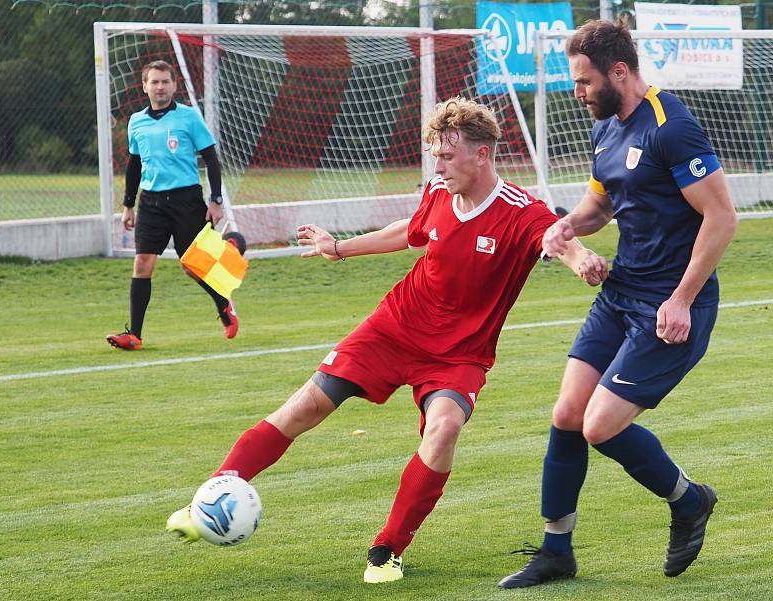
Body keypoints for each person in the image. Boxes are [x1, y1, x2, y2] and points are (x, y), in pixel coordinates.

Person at [165, 97, 606, 583]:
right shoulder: (439, 190)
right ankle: (207, 499)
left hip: (460, 353)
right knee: (303, 406)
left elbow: (556, 236)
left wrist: (581, 258)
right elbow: (411, 231)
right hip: (395, 326)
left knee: (443, 430)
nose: (437, 165)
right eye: (434, 154)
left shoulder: (520, 210)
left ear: (482, 155)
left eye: (447, 155)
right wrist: (339, 248)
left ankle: (388, 549)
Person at [498, 20, 738, 589]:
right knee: (565, 415)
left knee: (599, 426)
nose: (576, 92)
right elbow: (602, 203)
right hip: (621, 293)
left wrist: (681, 299)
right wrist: (567, 227)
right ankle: (556, 551)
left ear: (619, 72)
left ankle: (689, 500)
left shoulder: (670, 127)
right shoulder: (605, 129)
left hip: (672, 304)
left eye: (583, 81)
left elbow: (721, 217)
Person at [106, 60, 238, 350]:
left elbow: (212, 158)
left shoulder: (189, 117)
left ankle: (223, 304)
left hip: (186, 199)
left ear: (174, 85)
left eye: (165, 81)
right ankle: (134, 335)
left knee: (192, 266)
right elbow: (134, 164)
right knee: (142, 263)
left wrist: (216, 200)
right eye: (154, 82)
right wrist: (128, 205)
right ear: (144, 86)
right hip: (151, 202)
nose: (160, 87)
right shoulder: (136, 121)